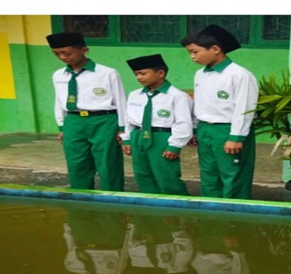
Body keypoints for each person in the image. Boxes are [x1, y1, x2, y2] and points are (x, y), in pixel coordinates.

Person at [181, 24, 257, 199]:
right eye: (189, 53)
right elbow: (199, 104)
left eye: (195, 51)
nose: (192, 57)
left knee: (233, 175)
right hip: (205, 129)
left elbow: (245, 108)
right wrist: (194, 129)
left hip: (228, 130)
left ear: (215, 49)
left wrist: (236, 137)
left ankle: (234, 216)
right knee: (209, 174)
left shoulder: (239, 75)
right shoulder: (200, 74)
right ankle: (212, 212)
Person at [47, 32, 126, 191]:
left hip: (103, 121)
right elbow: (59, 101)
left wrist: (123, 129)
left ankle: (113, 197)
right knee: (76, 163)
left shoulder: (107, 73)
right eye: (57, 54)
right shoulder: (58, 75)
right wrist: (62, 126)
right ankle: (81, 195)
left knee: (108, 163)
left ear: (84, 50)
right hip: (73, 121)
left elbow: (121, 101)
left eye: (67, 53)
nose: (62, 57)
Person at [122, 54, 193, 196]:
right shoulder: (135, 95)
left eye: (143, 73)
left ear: (160, 73)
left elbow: (183, 122)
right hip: (138, 135)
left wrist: (175, 145)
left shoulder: (177, 96)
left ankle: (178, 209)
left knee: (167, 176)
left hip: (162, 137)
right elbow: (128, 118)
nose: (139, 77)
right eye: (136, 74)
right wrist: (127, 139)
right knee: (143, 174)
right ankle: (152, 206)